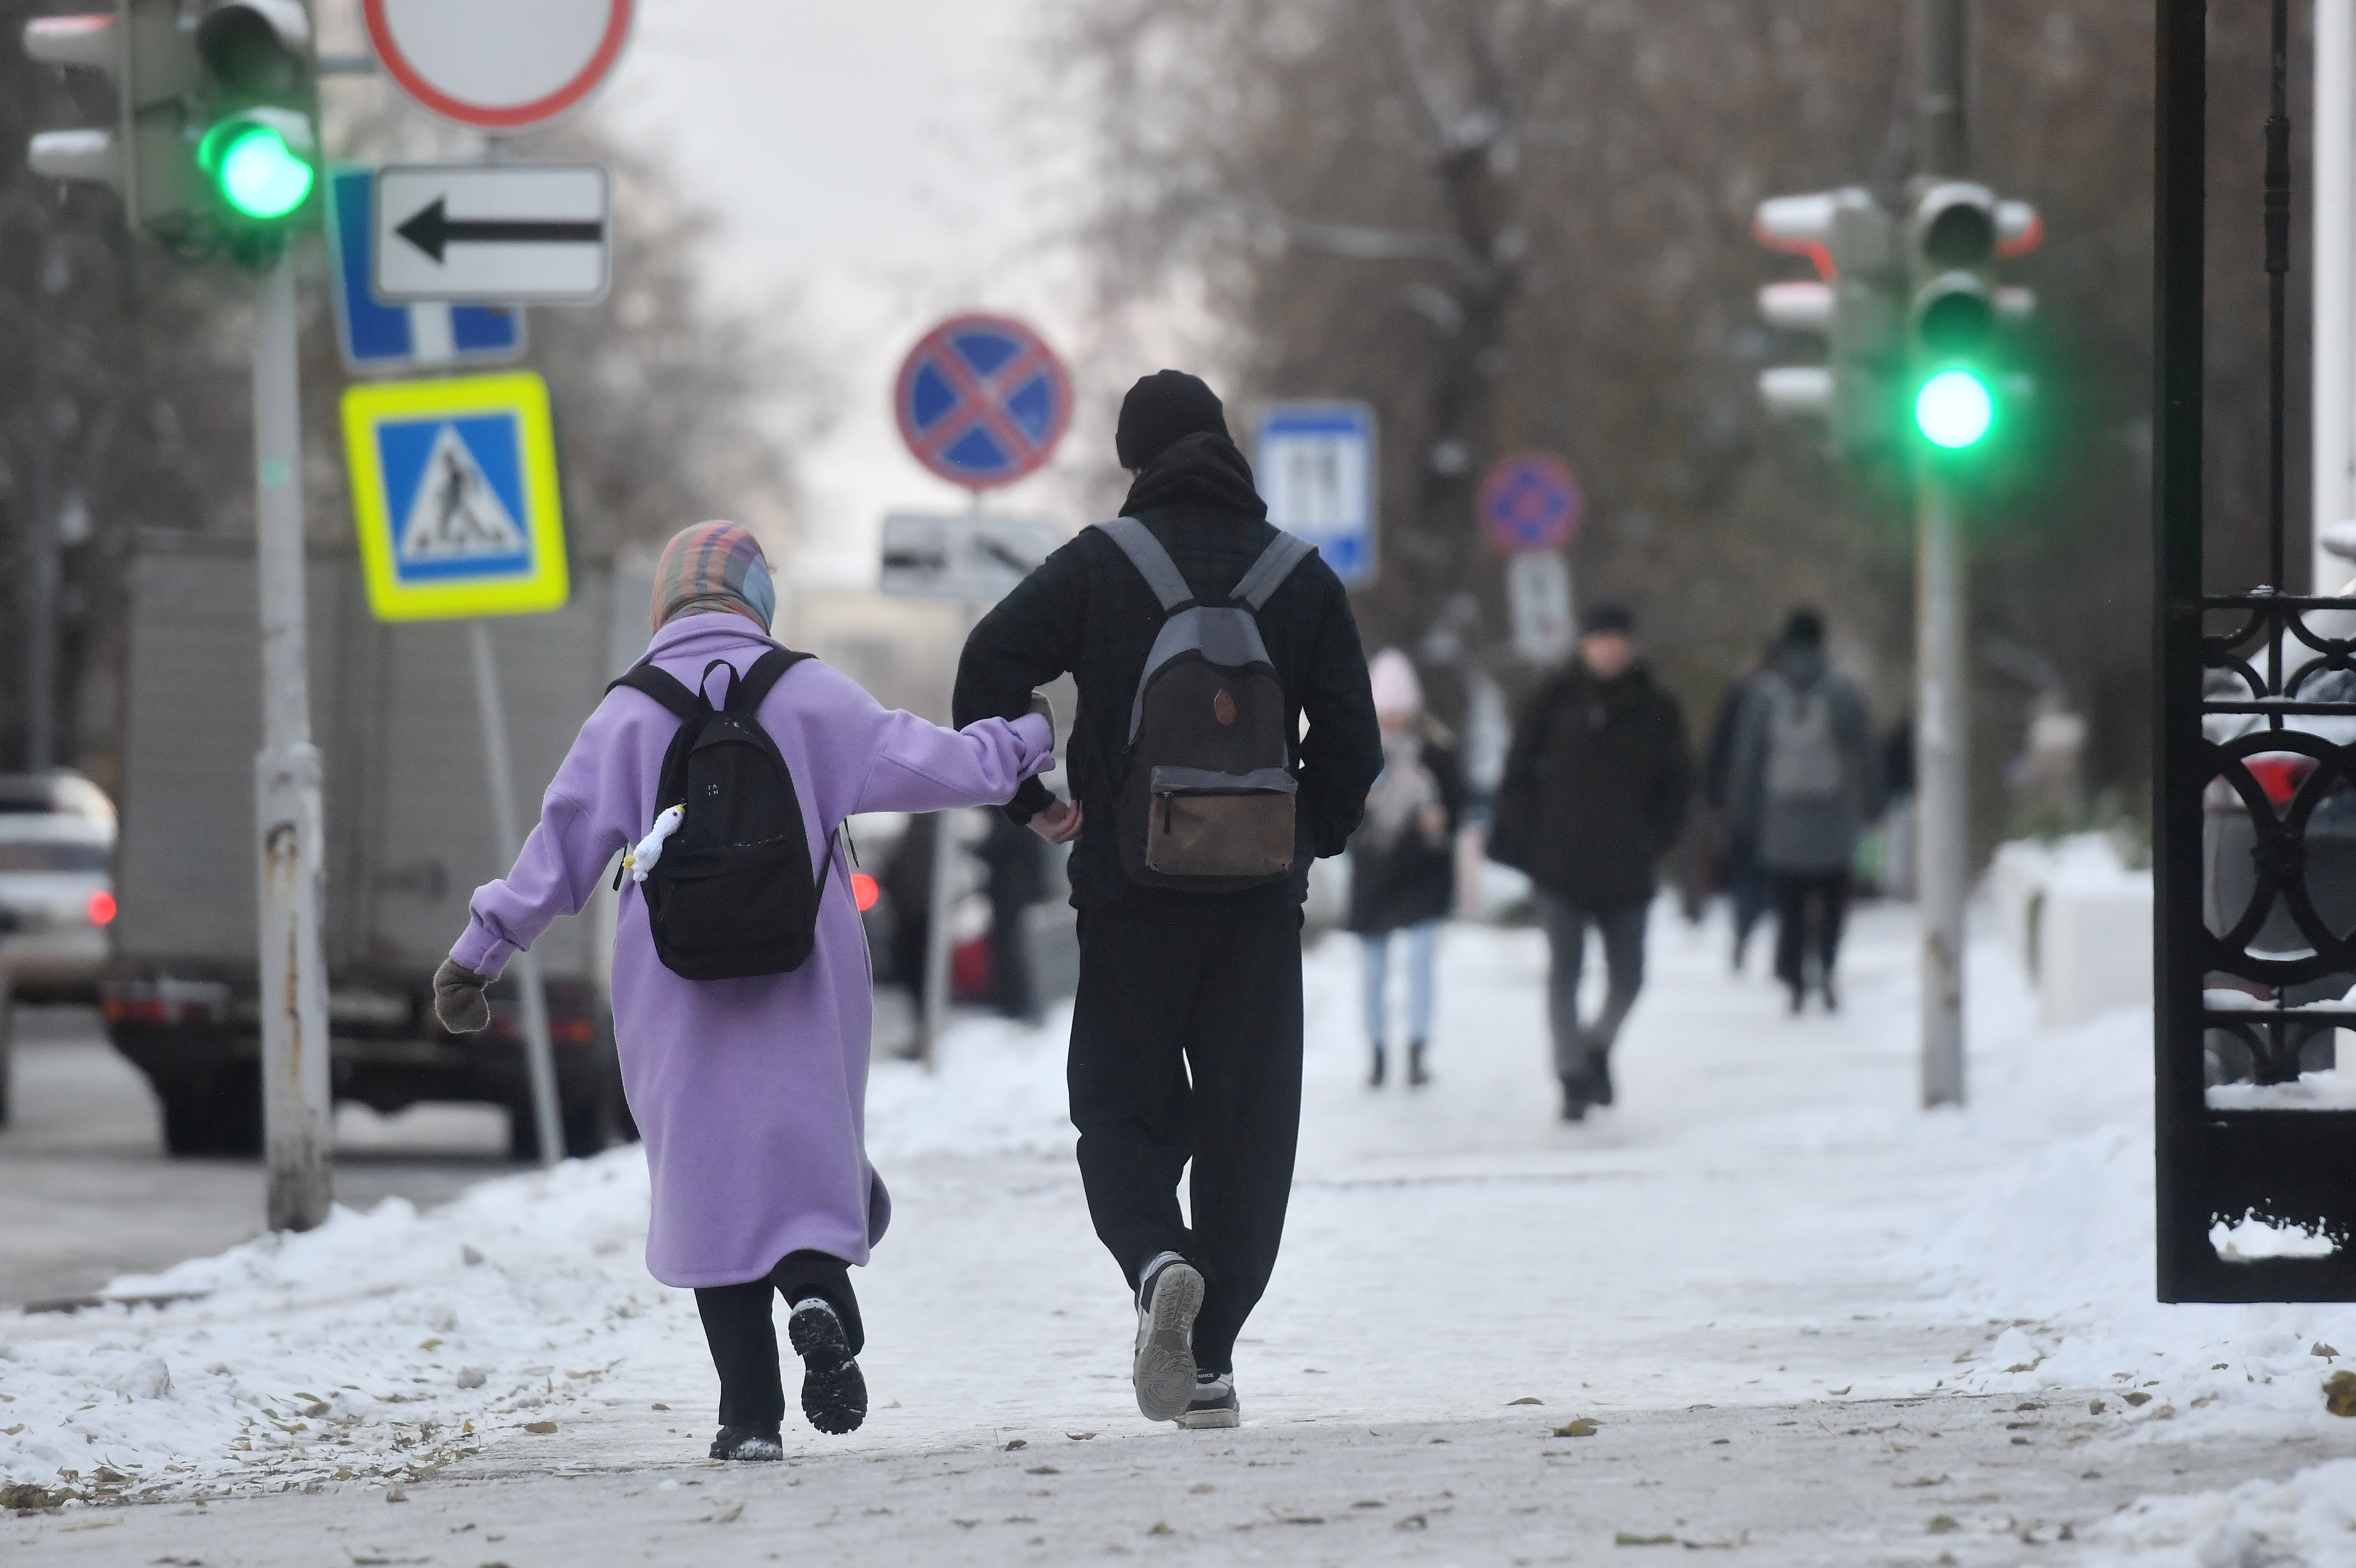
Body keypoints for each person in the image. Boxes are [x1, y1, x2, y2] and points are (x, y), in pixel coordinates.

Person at [430, 521, 1056, 1463]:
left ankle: (749, 1421)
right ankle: (815, 1298)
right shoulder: (808, 695)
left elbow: (556, 854)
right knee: (808, 1163)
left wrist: (479, 954)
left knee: (709, 1189)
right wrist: (1026, 739)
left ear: (666, 603)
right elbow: (933, 764)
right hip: (805, 971)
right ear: (757, 600)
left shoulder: (627, 715)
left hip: (672, 987)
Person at [951, 369, 1381, 1432]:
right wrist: (1297, 842)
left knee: (1117, 1106)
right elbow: (1355, 749)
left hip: (1129, 893)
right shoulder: (1300, 576)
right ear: (1228, 450)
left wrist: (1033, 799)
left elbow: (986, 668)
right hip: (1254, 908)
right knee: (1248, 1130)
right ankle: (1213, 1361)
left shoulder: (1103, 565)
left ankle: (1155, 1262)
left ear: (1134, 461)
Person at [1490, 602, 1692, 1122]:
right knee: (1564, 971)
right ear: (1583, 644)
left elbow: (1679, 784)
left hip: (1628, 866)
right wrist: (1533, 842)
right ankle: (1570, 1073)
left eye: (1617, 637)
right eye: (1599, 637)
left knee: (1629, 976)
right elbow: (1517, 775)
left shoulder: (1656, 707)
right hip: (1560, 865)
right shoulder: (1553, 700)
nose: (1608, 647)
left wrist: (1655, 840)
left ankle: (1597, 1046)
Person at [1729, 608, 1879, 1014]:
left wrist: (1741, 809)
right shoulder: (1842, 691)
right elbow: (1865, 751)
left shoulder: (1764, 693)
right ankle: (1827, 969)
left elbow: (1747, 758)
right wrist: (1872, 804)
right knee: (1832, 897)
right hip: (1833, 813)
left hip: (1781, 816)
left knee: (1790, 903)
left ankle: (1795, 979)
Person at [1347, 649, 1466, 1089]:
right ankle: (1375, 1053)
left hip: (1423, 872)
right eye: (1386, 711)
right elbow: (1337, 813)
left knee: (1420, 964)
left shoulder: (1435, 751)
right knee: (1373, 970)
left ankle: (1416, 1051)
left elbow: (1458, 801)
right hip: (1375, 873)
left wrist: (1442, 820)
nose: (1394, 721)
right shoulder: (1357, 751)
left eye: (1400, 711)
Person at [1703, 642, 1778, 971]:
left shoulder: (1742, 693)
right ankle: (1792, 955)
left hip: (1748, 804)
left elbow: (1720, 748)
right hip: (1800, 808)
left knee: (1748, 874)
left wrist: (1715, 797)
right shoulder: (1821, 692)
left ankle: (1743, 932)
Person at [977, 809, 1050, 1024]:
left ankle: (1015, 1003)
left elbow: (996, 849)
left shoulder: (1012, 821)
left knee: (1010, 951)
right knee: (1014, 950)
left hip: (1010, 895)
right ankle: (1017, 1002)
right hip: (1016, 895)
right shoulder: (1026, 822)